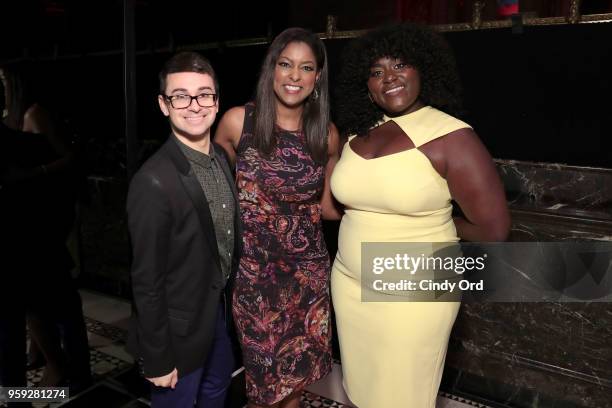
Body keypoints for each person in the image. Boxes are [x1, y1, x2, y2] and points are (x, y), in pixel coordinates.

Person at [330, 22, 511, 408]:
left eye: (400, 65)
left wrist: (431, 225)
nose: (389, 78)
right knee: (362, 388)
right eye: (376, 72)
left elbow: (493, 229)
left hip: (417, 288)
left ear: (423, 69)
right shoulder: (358, 132)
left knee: (402, 396)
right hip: (348, 282)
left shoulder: (453, 136)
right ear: (365, 85)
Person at [215, 27, 341, 408]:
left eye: (306, 68)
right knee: (266, 386)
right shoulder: (238, 123)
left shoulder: (327, 135)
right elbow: (215, 198)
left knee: (296, 384)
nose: (294, 76)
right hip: (254, 278)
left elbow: (330, 208)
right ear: (271, 69)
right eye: (286, 65)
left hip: (308, 276)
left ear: (317, 77)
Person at [126, 51, 240, 408]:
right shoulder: (153, 181)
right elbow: (146, 281)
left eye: (204, 94)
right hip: (176, 331)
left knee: (216, 388)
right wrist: (157, 357)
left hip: (215, 316)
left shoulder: (221, 158)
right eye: (180, 96)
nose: (194, 105)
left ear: (217, 101)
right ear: (164, 105)